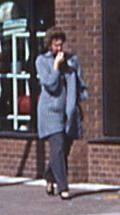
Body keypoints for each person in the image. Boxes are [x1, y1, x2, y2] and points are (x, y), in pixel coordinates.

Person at [33, 28, 83, 199]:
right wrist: (55, 67)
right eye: (55, 45)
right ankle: (63, 187)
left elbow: (77, 84)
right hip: (50, 112)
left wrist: (76, 106)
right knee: (58, 145)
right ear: (49, 45)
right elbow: (50, 85)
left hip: (67, 111)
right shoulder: (42, 61)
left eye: (61, 45)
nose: (59, 48)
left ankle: (49, 175)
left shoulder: (70, 61)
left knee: (64, 149)